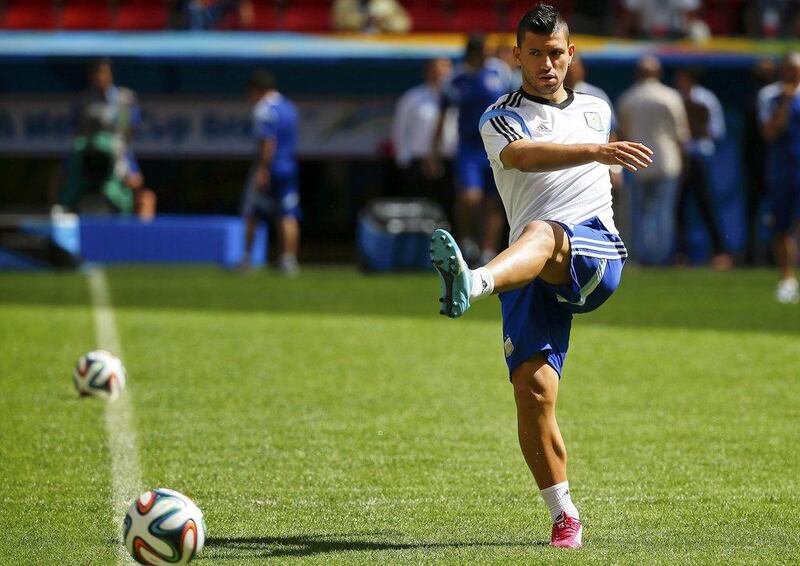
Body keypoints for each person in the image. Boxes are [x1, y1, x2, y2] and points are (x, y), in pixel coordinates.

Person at [429, 4, 653, 549]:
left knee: (545, 230)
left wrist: (601, 154)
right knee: (532, 392)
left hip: (595, 254)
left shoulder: (597, 109)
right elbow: (522, 156)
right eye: (535, 54)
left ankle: (474, 283)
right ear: (517, 56)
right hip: (530, 263)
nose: (547, 64)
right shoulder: (499, 115)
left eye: (556, 53)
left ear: (571, 54)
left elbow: (597, 172)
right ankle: (565, 516)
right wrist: (595, 151)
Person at [430, 34, 511, 266]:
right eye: (486, 49)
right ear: (475, 52)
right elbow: (442, 114)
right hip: (469, 147)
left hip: (496, 144)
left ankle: (488, 250)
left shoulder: (499, 72)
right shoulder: (456, 79)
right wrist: (433, 150)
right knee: (470, 197)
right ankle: (466, 240)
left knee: (493, 200)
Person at [57, 58, 156, 220]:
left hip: (115, 149)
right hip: (86, 149)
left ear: (110, 74)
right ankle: (63, 211)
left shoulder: (124, 99)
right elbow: (75, 130)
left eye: (103, 72)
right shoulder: (83, 100)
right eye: (96, 73)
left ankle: (133, 224)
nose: (99, 76)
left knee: (136, 183)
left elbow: (129, 131)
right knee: (63, 175)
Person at [617, 56, 690, 265]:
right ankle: (659, 257)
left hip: (637, 162)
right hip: (667, 161)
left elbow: (623, 131)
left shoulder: (628, 98)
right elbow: (682, 134)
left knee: (638, 214)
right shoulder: (670, 96)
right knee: (663, 212)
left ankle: (640, 256)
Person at [240, 70, 300, 274]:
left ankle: (247, 260)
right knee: (287, 214)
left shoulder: (263, 109)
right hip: (288, 166)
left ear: (257, 90)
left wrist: (263, 169)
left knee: (252, 214)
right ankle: (289, 260)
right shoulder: (289, 107)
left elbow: (268, 141)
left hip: (271, 167)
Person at [673, 67, 733, 269]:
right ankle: (681, 254)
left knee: (707, 205)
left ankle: (721, 252)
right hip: (680, 158)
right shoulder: (675, 97)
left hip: (700, 157)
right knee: (679, 207)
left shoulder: (706, 99)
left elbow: (717, 131)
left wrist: (696, 127)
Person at [759, 52, 800, 303]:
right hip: (783, 170)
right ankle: (786, 278)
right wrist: (786, 104)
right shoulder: (771, 96)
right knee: (782, 226)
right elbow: (770, 132)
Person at [391, 58, 457, 209]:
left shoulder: (457, 98)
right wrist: (404, 159)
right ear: (428, 71)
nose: (443, 73)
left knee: (447, 207)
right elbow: (400, 129)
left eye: (447, 68)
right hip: (418, 162)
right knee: (420, 207)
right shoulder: (413, 97)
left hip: (449, 160)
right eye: (438, 68)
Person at [742, 59, 777, 265]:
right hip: (759, 164)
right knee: (757, 213)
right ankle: (753, 255)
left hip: (773, 163)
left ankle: (769, 256)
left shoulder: (774, 97)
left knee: (775, 213)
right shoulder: (763, 98)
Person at [332, 0, 410, 33]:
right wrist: (362, 20)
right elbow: (338, 23)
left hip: (381, 46)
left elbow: (403, 25)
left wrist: (384, 22)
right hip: (351, 46)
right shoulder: (344, 2)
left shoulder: (387, 3)